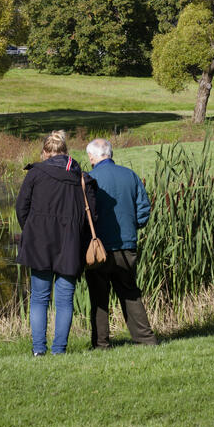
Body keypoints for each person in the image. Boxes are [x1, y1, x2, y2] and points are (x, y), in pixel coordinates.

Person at [15, 130, 95, 356]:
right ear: (66, 152)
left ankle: (39, 350)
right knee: (64, 300)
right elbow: (92, 215)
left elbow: (21, 208)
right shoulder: (81, 177)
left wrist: (31, 230)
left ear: (44, 153)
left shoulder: (35, 173)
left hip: (39, 242)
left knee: (39, 298)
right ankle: (59, 350)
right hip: (70, 244)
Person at [83, 137, 158, 348]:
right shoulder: (130, 175)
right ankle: (145, 339)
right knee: (129, 292)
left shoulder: (89, 178)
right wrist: (133, 227)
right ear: (110, 153)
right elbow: (143, 208)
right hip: (127, 244)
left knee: (99, 296)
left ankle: (101, 343)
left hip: (98, 248)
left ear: (91, 157)